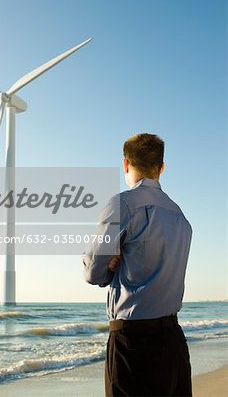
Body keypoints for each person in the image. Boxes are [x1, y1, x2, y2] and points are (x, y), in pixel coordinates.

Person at [82, 133, 192, 397]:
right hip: (173, 341)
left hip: (132, 343)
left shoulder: (122, 205)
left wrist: (110, 267)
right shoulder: (180, 216)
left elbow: (92, 272)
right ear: (161, 167)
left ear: (126, 164)